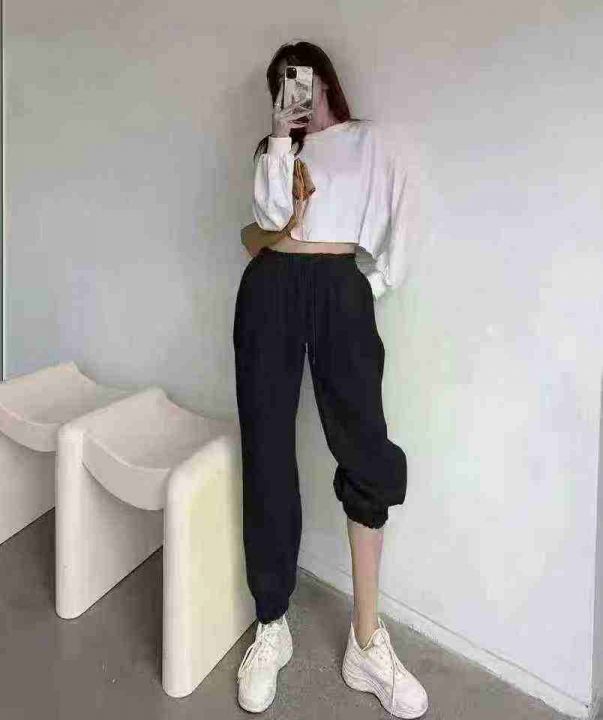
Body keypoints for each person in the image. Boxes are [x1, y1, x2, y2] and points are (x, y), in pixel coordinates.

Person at [233, 41, 427, 718]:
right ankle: (271, 622)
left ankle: (366, 641)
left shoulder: (369, 142)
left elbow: (401, 219)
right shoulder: (274, 150)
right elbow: (266, 222)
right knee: (266, 449)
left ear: (326, 81)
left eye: (304, 81)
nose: (297, 94)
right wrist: (279, 140)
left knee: (366, 448)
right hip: (270, 288)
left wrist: (367, 287)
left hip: (339, 286)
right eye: (283, 86)